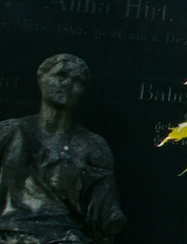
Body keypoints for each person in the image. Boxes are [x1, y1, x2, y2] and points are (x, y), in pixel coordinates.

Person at [0, 54, 125, 244]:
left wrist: (112, 218)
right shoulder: (8, 132)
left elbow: (105, 216)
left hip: (64, 237)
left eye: (78, 81)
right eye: (61, 75)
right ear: (41, 78)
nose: (68, 84)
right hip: (9, 233)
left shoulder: (93, 146)